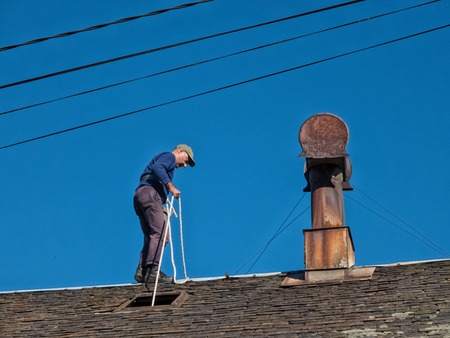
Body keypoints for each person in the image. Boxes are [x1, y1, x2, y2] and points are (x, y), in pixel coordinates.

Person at [133, 144, 195, 284]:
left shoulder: (165, 159)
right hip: (150, 194)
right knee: (161, 233)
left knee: (152, 234)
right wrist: (171, 187)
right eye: (186, 160)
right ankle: (152, 270)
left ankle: (142, 270)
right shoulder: (169, 156)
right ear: (180, 151)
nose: (185, 165)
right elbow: (158, 167)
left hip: (142, 195)